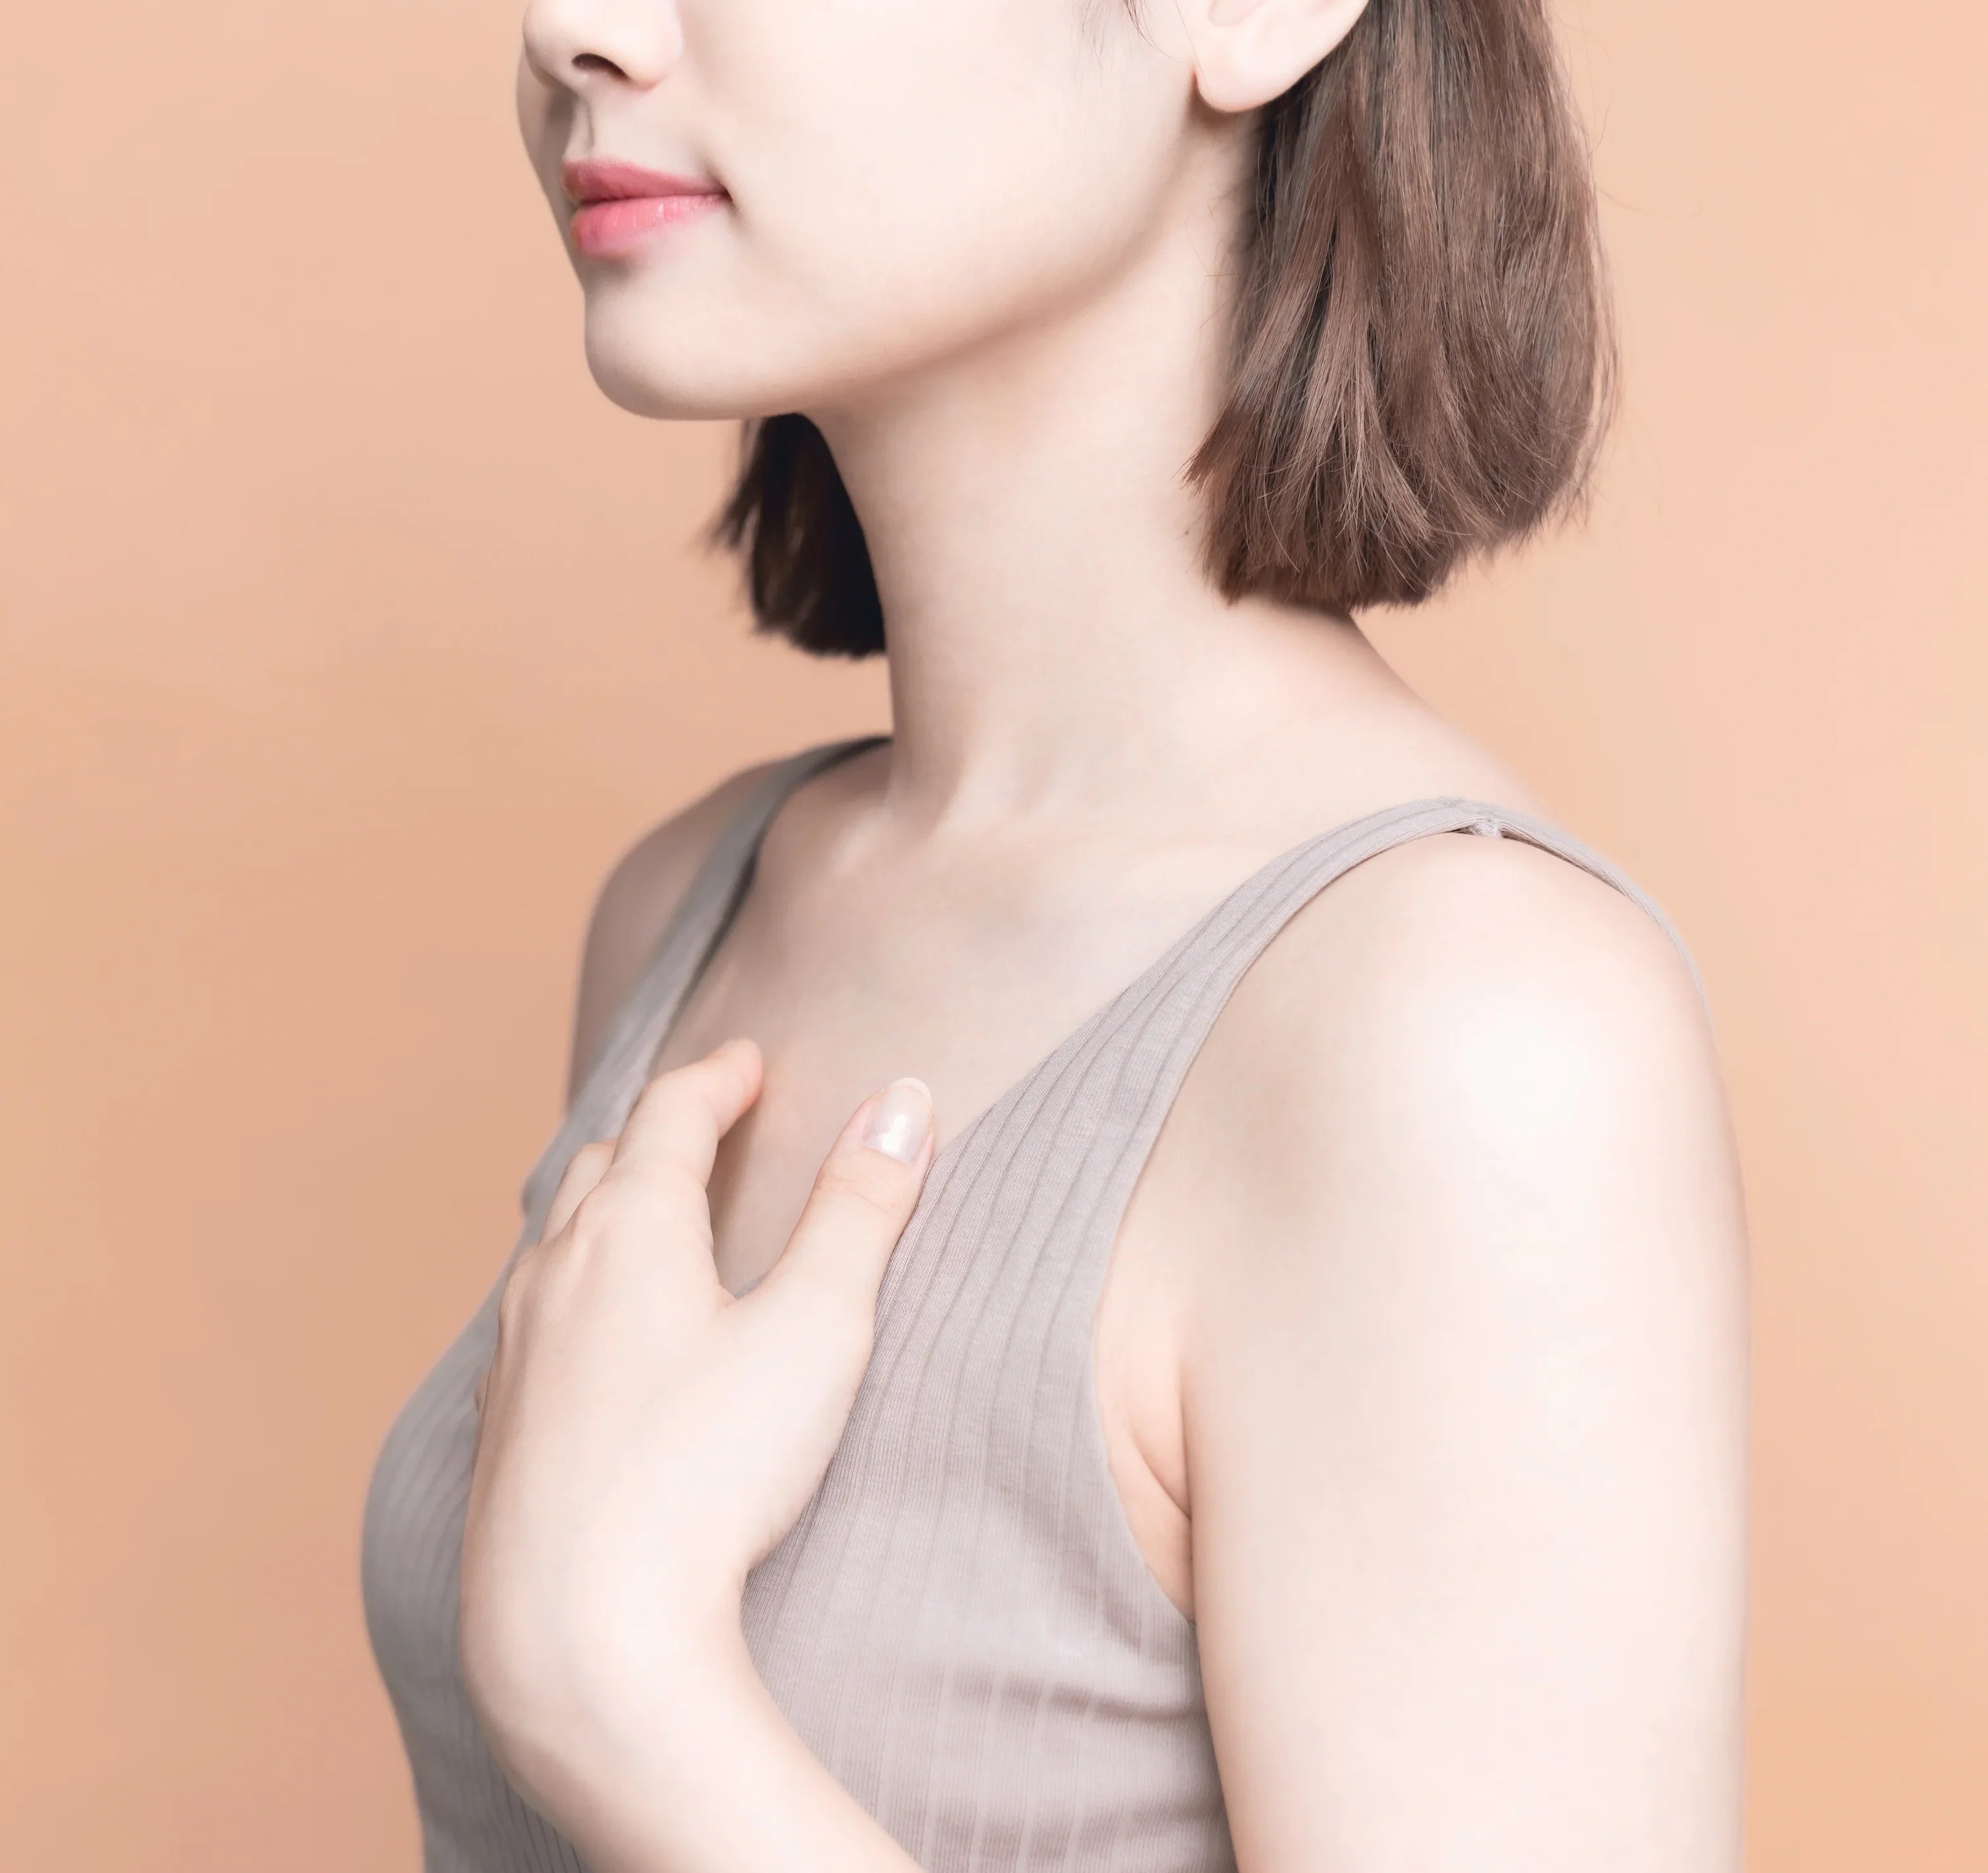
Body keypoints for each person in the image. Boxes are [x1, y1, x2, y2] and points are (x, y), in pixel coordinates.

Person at [361, 0, 1749, 1867]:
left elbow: (610, 1709)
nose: (577, 26)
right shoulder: (696, 908)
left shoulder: (1468, 1043)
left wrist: (622, 1695)